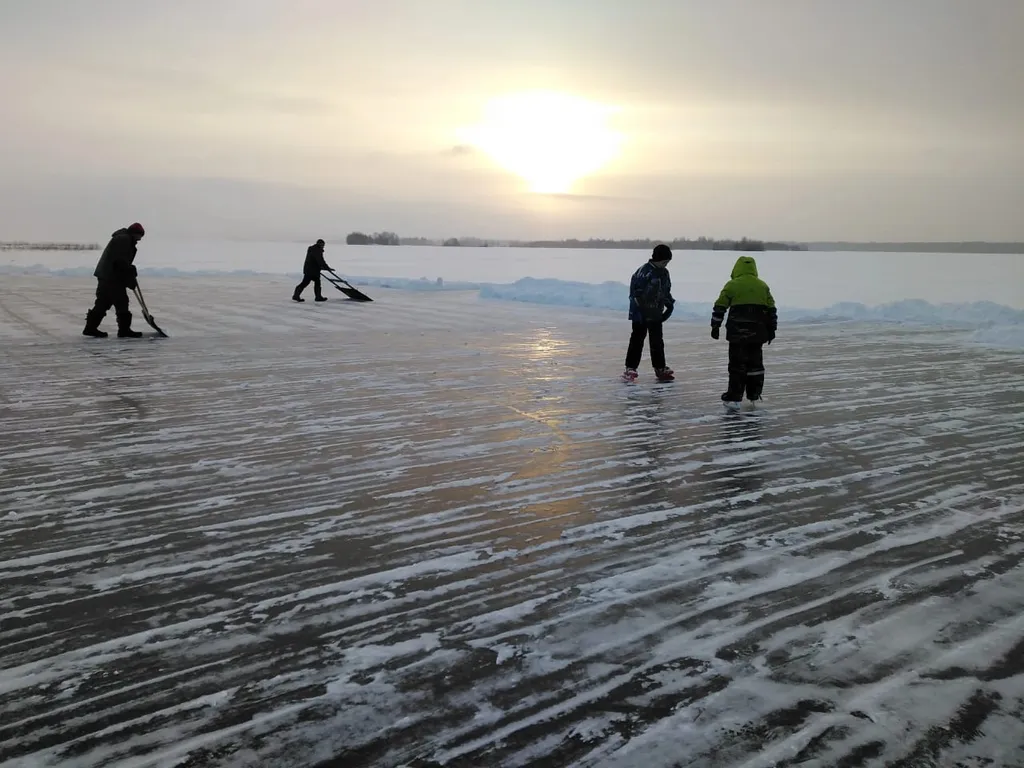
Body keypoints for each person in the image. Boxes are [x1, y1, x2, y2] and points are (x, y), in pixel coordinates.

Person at [709, 255, 777, 410]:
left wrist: (715, 326)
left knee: (737, 365)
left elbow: (720, 306)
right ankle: (754, 394)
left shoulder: (732, 285)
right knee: (755, 364)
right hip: (757, 334)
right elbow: (772, 310)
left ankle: (734, 397)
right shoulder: (762, 286)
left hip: (737, 334)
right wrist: (772, 329)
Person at [82, 222, 145, 338]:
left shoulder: (124, 239)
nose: (140, 239)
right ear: (135, 233)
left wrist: (129, 272)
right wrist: (129, 272)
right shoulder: (124, 240)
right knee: (121, 301)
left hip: (107, 275)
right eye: (140, 236)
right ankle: (124, 330)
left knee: (103, 302)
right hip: (112, 277)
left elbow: (121, 261)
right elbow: (120, 261)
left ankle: (90, 328)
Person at [623, 243, 676, 382]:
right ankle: (630, 368)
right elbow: (636, 294)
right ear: (657, 259)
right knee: (637, 339)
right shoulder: (644, 272)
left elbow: (665, 291)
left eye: (667, 262)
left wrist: (669, 304)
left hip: (656, 313)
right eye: (664, 262)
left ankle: (660, 367)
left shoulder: (664, 273)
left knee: (657, 341)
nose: (666, 264)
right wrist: (643, 309)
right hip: (640, 313)